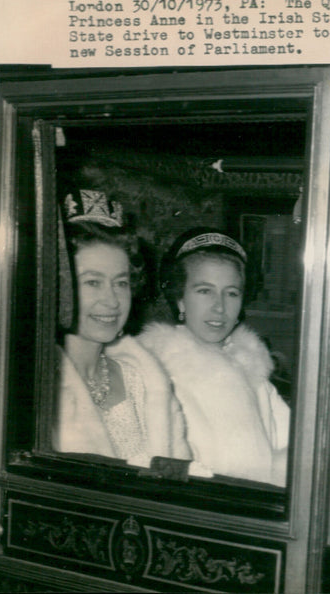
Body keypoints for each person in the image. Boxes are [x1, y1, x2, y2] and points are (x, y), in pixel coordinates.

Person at [138, 228, 290, 486]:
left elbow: (293, 448)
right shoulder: (154, 373)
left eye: (231, 293)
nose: (219, 307)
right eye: (204, 291)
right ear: (180, 300)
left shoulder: (253, 371)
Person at [54, 189, 193, 467]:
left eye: (121, 283)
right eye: (93, 282)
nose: (112, 300)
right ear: (61, 287)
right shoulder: (38, 389)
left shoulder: (145, 381)